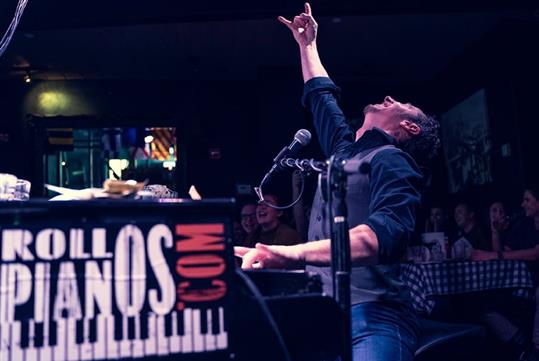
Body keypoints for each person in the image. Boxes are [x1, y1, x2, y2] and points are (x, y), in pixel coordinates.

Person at [235, 3, 441, 361]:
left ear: (410, 127)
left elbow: (377, 239)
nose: (390, 97)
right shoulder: (345, 152)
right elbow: (321, 99)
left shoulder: (394, 161)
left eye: (402, 104)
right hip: (325, 308)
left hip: (375, 314)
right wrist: (307, 45)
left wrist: (289, 254)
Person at [472, 187, 539, 361]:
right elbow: (503, 254)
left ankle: (536, 349)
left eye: (527, 200)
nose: (522, 204)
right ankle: (520, 342)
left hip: (535, 283)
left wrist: (491, 255)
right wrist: (496, 233)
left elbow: (535, 253)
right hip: (519, 285)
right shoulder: (523, 224)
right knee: (482, 304)